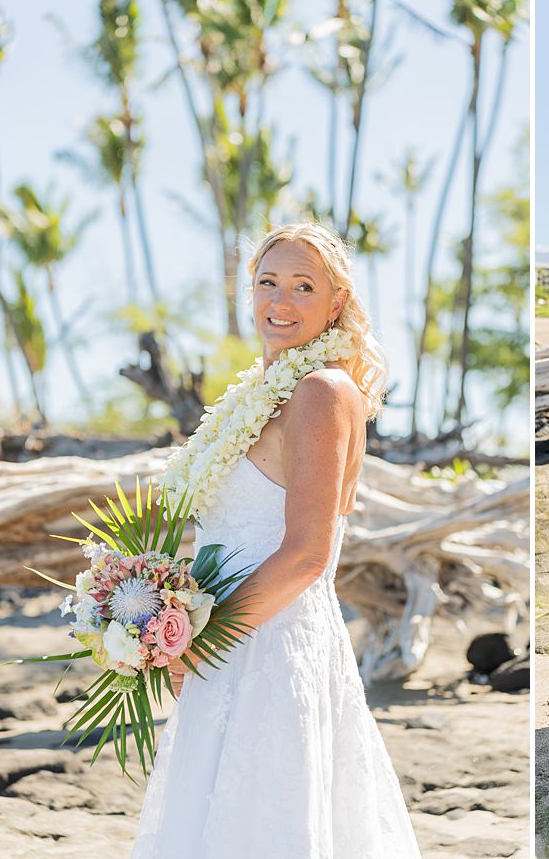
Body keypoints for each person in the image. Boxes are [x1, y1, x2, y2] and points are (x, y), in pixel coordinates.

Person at [133, 222, 422, 856]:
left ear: (335, 303)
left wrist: (197, 645)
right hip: (228, 641)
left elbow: (308, 554)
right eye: (268, 283)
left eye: (302, 286)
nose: (280, 303)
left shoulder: (321, 392)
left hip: (270, 643)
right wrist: (159, 615)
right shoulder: (262, 395)